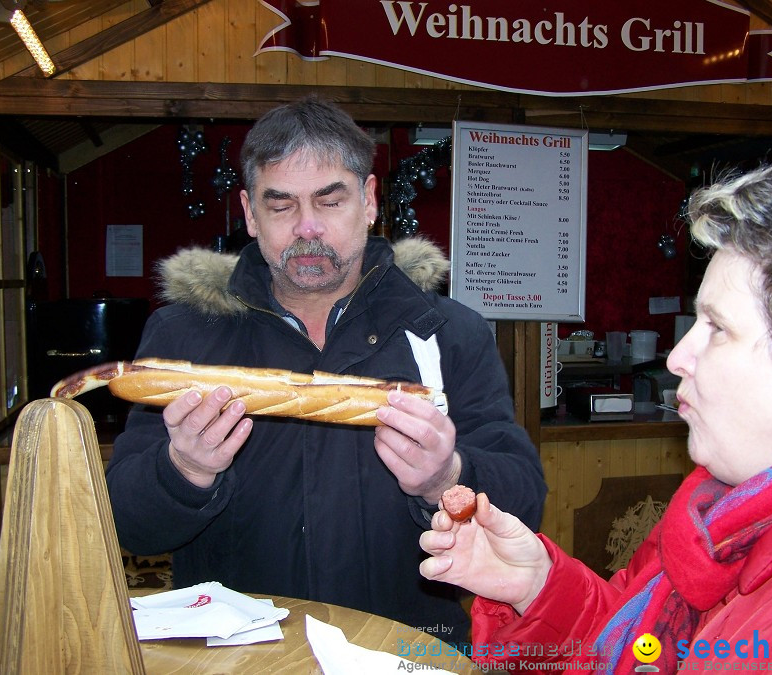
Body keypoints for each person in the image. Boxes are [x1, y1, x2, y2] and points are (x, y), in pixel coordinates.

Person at [105, 96, 546, 644]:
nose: (308, 227)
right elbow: (129, 525)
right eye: (281, 204)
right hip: (237, 655)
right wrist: (184, 471)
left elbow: (526, 502)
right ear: (249, 213)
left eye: (329, 201)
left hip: (407, 643)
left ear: (367, 201)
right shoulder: (182, 336)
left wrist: (446, 479)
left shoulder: (449, 333)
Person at [420, 147, 772, 672]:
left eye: (718, 328)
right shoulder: (711, 512)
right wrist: (536, 586)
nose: (677, 356)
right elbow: (641, 653)